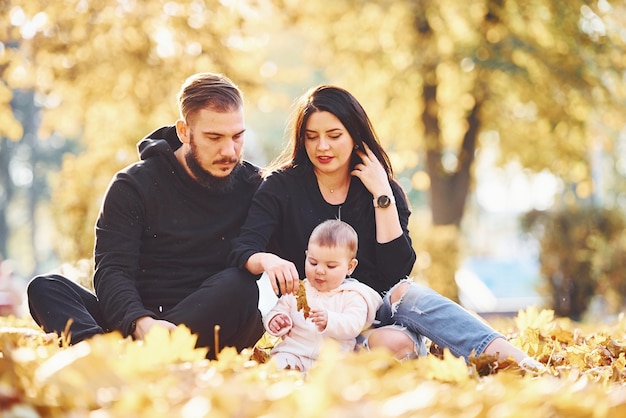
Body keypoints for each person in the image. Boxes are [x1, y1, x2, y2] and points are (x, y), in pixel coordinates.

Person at [229, 84, 544, 370]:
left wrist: (382, 195)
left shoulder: (381, 189)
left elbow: (396, 273)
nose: (322, 146)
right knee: (394, 345)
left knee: (406, 302)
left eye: (334, 135)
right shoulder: (281, 187)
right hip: (314, 318)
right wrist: (269, 261)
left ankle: (515, 361)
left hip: (370, 311)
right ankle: (346, 365)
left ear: (355, 136)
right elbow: (245, 247)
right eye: (312, 137)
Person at [27, 72, 264, 359]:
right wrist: (140, 322)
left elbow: (307, 246)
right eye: (214, 137)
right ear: (183, 132)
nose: (229, 151)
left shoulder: (253, 187)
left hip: (203, 327)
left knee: (240, 287)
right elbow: (112, 270)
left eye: (237, 136)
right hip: (135, 323)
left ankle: (139, 358)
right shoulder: (133, 186)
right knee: (46, 288)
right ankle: (105, 358)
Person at [264, 219, 382, 371]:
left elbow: (354, 324)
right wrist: (276, 320)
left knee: (342, 375)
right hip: (293, 353)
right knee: (278, 366)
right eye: (313, 262)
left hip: (334, 359)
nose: (319, 270)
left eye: (331, 266)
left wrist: (330, 320)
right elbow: (279, 309)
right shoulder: (298, 291)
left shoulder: (353, 295)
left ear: (350, 267)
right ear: (306, 256)